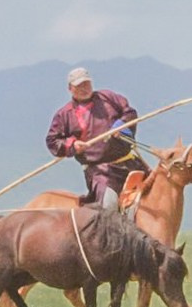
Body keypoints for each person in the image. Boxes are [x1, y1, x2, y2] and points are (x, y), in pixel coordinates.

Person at [45, 66, 146, 204]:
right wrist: (72, 145)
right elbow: (53, 141)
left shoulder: (108, 97)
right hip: (101, 172)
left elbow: (129, 113)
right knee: (108, 205)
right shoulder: (64, 114)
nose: (84, 88)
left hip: (130, 163)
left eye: (86, 84)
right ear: (70, 88)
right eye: (79, 85)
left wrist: (121, 126)